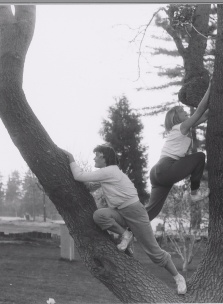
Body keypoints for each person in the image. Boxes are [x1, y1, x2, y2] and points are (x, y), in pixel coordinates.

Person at [62, 145, 187, 295]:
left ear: (104, 157)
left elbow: (78, 176)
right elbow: (88, 186)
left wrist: (70, 157)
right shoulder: (108, 174)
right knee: (99, 215)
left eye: (96, 155)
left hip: (135, 213)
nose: (94, 158)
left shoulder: (109, 171)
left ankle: (178, 277)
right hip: (120, 212)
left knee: (154, 252)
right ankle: (126, 234)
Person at [146, 81, 211, 221]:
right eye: (182, 111)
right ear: (176, 117)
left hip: (157, 172)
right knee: (199, 157)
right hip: (167, 168)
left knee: (152, 211)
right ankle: (194, 193)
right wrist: (211, 87)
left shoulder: (181, 129)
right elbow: (200, 111)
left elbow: (205, 115)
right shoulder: (180, 127)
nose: (186, 112)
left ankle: (127, 231)